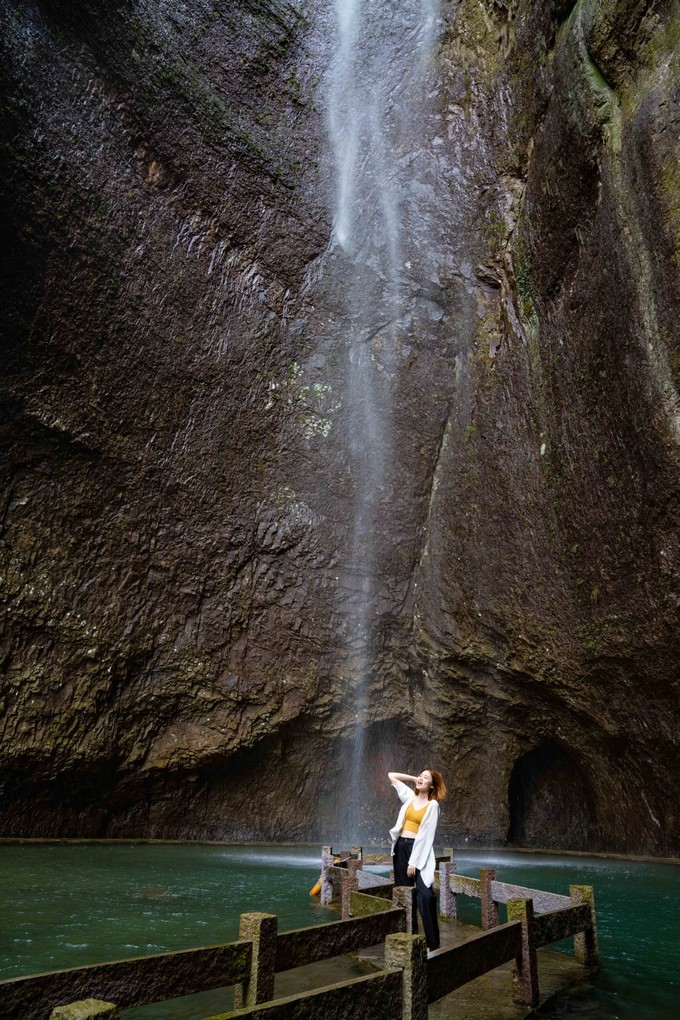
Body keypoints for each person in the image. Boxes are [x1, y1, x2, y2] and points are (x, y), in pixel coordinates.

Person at [387, 768, 447, 952]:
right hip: (400, 848)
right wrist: (415, 779)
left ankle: (433, 944)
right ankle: (409, 941)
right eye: (420, 775)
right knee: (404, 895)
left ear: (432, 786)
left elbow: (426, 836)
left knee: (426, 895)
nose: (421, 778)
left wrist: (413, 862)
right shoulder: (410, 798)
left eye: (425, 778)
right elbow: (392, 776)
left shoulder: (433, 806)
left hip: (418, 851)